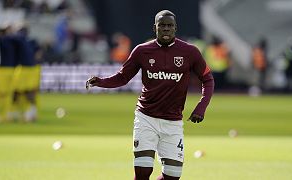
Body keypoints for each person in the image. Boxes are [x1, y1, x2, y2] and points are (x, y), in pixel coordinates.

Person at [86, 10, 214, 180]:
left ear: (175, 28)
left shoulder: (190, 52)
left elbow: (208, 80)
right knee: (143, 171)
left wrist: (201, 107)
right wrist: (101, 82)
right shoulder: (142, 51)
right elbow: (123, 77)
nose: (166, 29)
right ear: (155, 28)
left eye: (170, 26)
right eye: (162, 25)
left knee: (172, 176)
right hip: (146, 118)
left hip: (173, 122)